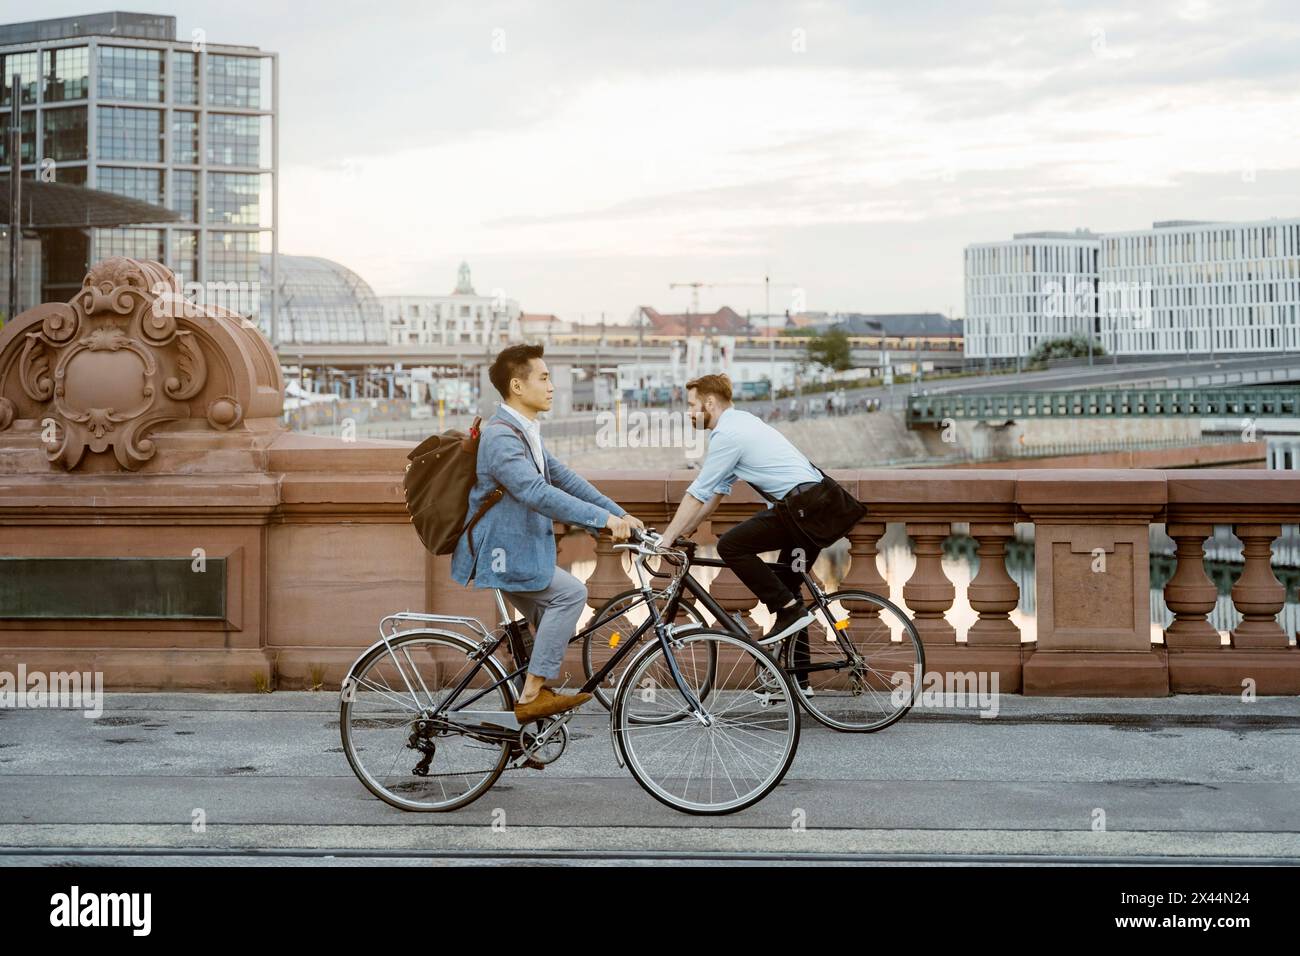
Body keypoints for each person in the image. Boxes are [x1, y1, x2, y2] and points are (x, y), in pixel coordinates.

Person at [451, 343, 644, 722]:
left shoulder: (525, 432)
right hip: (504, 552)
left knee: (550, 621)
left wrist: (619, 513)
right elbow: (535, 492)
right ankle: (532, 695)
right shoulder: (502, 436)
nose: (552, 386)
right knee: (571, 594)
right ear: (517, 387)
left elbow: (566, 480)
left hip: (521, 551)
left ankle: (524, 728)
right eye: (543, 377)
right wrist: (602, 521)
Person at [659, 373, 826, 650]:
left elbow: (697, 493)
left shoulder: (728, 435)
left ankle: (787, 610)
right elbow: (714, 496)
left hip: (803, 511)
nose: (688, 412)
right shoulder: (743, 421)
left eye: (691, 405)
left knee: (731, 545)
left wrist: (665, 539)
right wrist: (687, 530)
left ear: (709, 403)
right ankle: (799, 682)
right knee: (789, 592)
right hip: (813, 508)